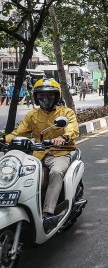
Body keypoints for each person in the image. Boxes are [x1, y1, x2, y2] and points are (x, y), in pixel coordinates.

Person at [5, 79, 79, 233]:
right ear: (36, 97)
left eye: (50, 94)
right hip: (37, 153)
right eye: (42, 94)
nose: (46, 98)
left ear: (57, 96)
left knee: (56, 172)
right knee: (17, 172)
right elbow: (19, 133)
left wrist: (63, 138)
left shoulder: (66, 113)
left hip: (60, 153)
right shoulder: (32, 115)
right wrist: (4, 139)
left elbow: (72, 128)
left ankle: (48, 214)